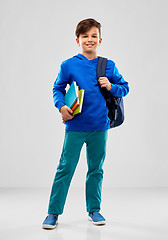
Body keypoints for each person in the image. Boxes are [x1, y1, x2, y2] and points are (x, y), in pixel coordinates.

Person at [42, 18, 129, 229]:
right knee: (65, 169)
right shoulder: (69, 65)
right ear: (77, 39)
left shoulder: (109, 65)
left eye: (93, 36)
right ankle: (53, 212)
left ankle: (94, 210)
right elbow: (57, 88)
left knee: (96, 169)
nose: (89, 40)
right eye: (84, 36)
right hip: (75, 127)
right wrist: (61, 106)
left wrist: (111, 86)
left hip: (100, 126)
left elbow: (124, 88)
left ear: (100, 39)